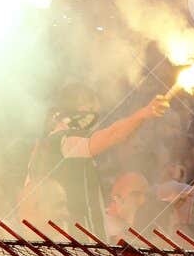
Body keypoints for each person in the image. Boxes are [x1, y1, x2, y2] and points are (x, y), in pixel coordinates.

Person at [20, 87, 170, 241]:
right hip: (75, 243)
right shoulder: (65, 140)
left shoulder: (46, 144)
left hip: (56, 241)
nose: (93, 111)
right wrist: (144, 113)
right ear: (70, 110)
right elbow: (114, 135)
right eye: (87, 105)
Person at [103, 171, 151, 243]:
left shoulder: (133, 229)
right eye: (136, 194)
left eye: (145, 195)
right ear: (117, 197)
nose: (142, 201)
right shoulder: (101, 221)